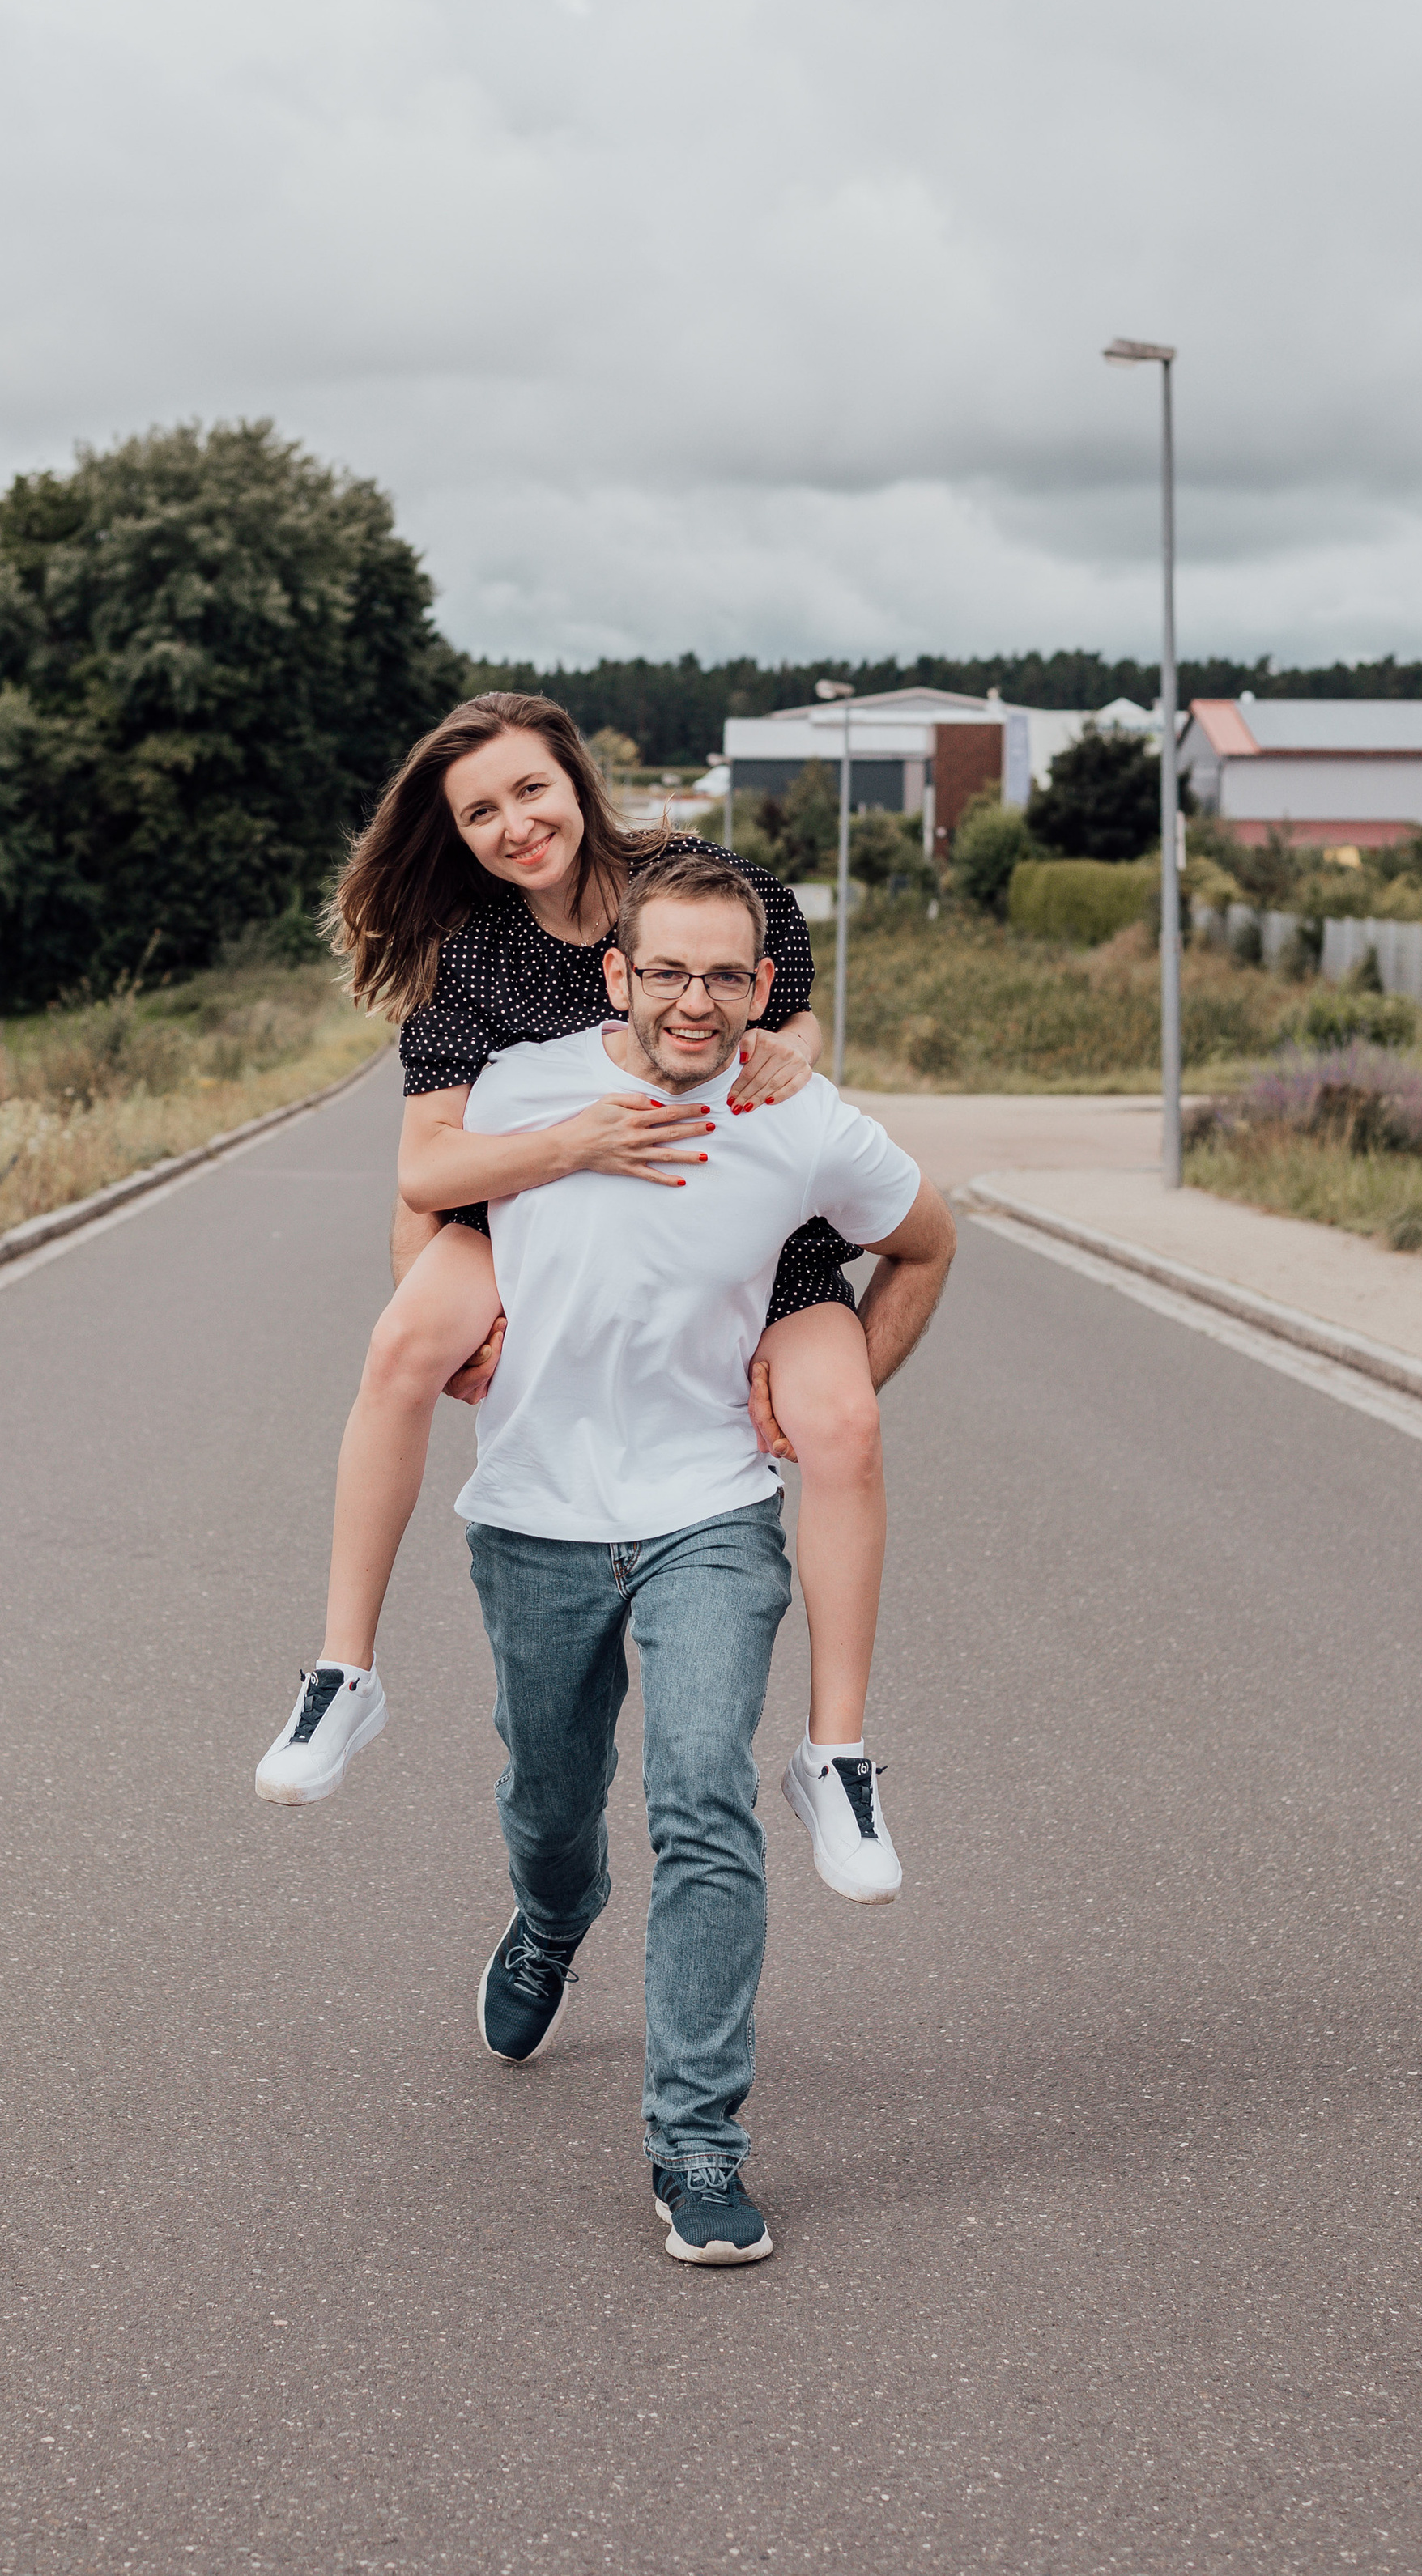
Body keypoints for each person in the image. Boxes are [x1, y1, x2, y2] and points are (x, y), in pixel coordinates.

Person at [255, 694, 910, 1894]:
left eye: (530, 790)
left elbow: (794, 1029)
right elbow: (427, 1167)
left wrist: (796, 1046)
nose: (514, 824)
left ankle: (839, 1755)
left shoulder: (713, 885)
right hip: (539, 1216)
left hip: (733, 1228)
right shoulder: (477, 953)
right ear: (454, 834)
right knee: (403, 1346)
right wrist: (570, 1149)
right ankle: (342, 1674)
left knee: (845, 1422)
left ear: (579, 779)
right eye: (480, 812)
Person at [457, 845, 956, 2263]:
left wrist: (836, 1381)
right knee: (551, 1802)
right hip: (536, 1514)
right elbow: (432, 1210)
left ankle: (698, 2141)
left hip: (710, 1512)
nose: (695, 1000)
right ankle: (553, 1918)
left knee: (700, 1796)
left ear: (761, 989)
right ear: (617, 973)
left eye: (725, 976)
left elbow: (929, 1243)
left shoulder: (800, 1119)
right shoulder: (523, 1089)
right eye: (666, 970)